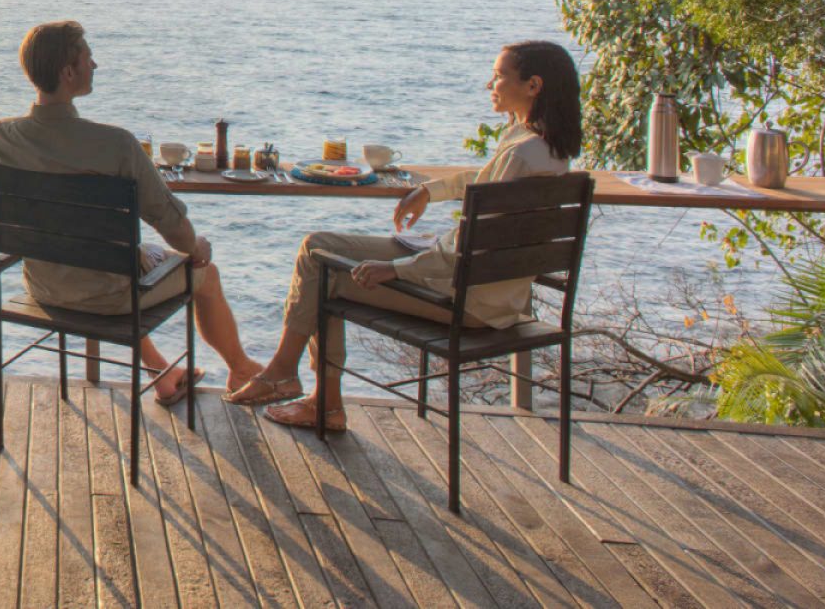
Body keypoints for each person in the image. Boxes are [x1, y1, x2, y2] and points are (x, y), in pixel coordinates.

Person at [228, 39, 582, 431]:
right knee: (317, 247)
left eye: (499, 76)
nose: (490, 84)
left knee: (323, 271)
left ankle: (309, 393)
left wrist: (396, 268)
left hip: (470, 302)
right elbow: (484, 187)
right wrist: (431, 189)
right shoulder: (545, 149)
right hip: (501, 297)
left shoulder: (520, 153)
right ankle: (296, 383)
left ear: (533, 85)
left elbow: (466, 248)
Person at [0, 20, 264, 405]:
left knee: (108, 263)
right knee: (204, 273)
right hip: (107, 299)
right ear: (68, 72)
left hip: (44, 286)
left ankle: (162, 374)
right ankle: (242, 369)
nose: (95, 65)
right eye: (89, 58)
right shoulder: (115, 144)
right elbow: (175, 230)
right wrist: (197, 245)